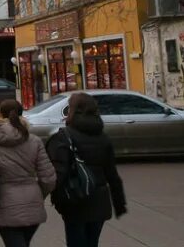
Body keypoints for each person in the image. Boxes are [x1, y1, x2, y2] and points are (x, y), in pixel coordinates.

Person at [0, 99, 56, 247]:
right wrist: (38, 195)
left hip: (2, 202)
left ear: (0, 115)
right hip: (32, 201)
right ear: (22, 115)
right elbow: (49, 177)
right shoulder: (34, 141)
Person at [46, 92, 127, 247]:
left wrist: (55, 199)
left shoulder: (64, 137)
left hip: (75, 199)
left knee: (76, 242)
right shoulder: (103, 137)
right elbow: (112, 174)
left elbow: (58, 173)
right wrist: (119, 203)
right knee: (92, 242)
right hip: (100, 201)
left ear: (72, 110)